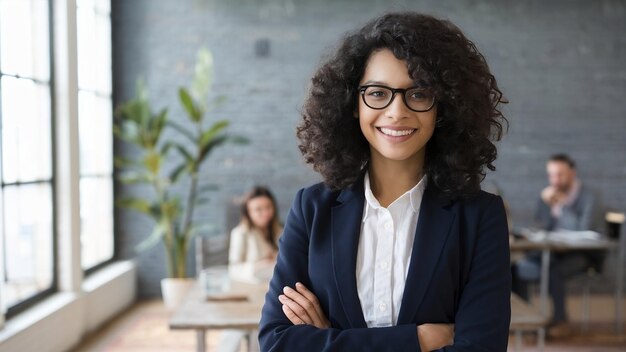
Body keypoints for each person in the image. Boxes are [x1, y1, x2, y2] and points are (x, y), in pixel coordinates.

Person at [258, 12, 510, 351]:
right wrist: (417, 339)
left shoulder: (480, 217)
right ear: (353, 104)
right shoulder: (312, 209)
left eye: (418, 94)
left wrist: (329, 340)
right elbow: (277, 342)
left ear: (444, 107)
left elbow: (480, 348)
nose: (396, 112)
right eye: (377, 93)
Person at [512, 154, 602, 334]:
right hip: (552, 253)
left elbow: (583, 230)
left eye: (560, 174)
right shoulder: (548, 194)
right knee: (517, 268)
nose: (555, 180)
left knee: (551, 269)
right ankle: (528, 322)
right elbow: (542, 226)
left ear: (572, 173)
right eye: (551, 175)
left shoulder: (589, 197)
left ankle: (560, 321)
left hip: (582, 255)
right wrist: (544, 204)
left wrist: (563, 205)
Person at [220, 186, 283, 351]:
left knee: (262, 338)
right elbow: (233, 269)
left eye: (268, 207)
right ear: (248, 212)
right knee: (232, 337)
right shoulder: (241, 233)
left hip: (271, 294)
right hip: (246, 294)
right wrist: (258, 266)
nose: (265, 213)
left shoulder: (280, 230)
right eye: (258, 209)